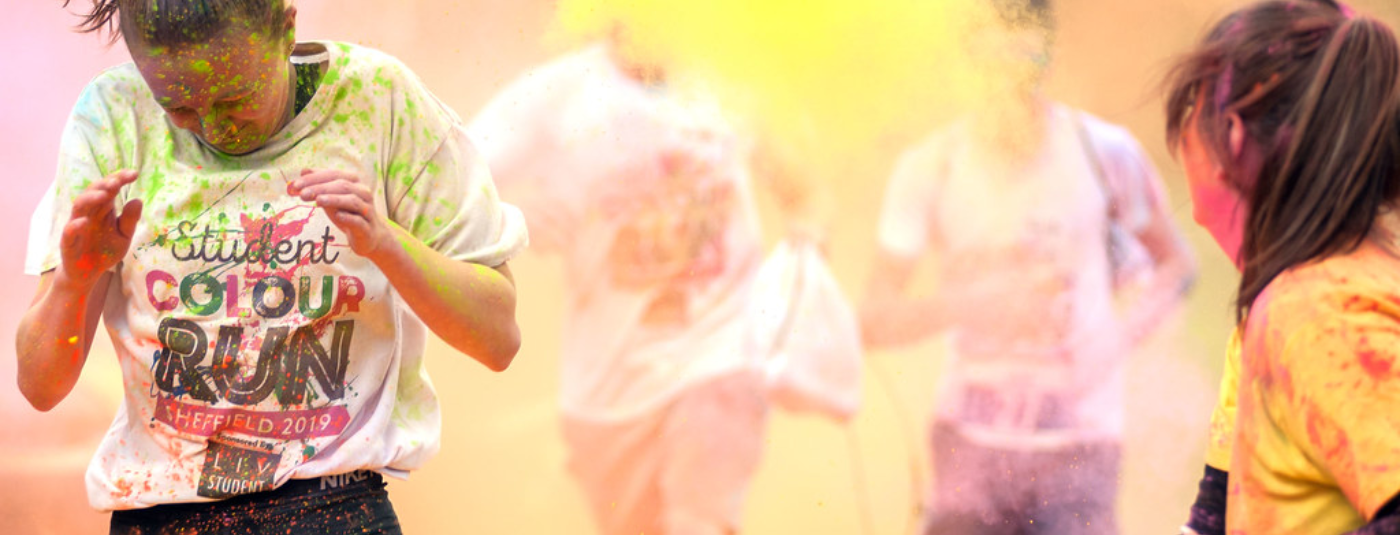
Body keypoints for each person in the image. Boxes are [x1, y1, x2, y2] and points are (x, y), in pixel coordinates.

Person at [15, 0, 528, 532]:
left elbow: (498, 339)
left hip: (334, 508)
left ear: (287, 28)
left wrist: (388, 245)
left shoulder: (378, 101)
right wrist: (72, 284)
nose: (216, 129)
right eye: (179, 108)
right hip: (162, 512)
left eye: (236, 98)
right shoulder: (113, 116)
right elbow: (41, 386)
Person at [859, 0, 1197, 533]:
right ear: (964, 65)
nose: (1008, 82)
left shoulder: (1103, 152)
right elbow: (873, 321)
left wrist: (1110, 342)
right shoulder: (930, 167)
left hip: (1079, 448)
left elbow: (1176, 265)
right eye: (991, 62)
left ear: (1050, 60)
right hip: (967, 448)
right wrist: (974, 306)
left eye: (1025, 61)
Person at [466, 31, 773, 535]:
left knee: (701, 520)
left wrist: (810, 240)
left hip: (723, 353)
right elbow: (439, 181)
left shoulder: (740, 76)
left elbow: (803, 187)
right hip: (608, 389)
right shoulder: (555, 95)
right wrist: (509, 216)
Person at [1167, 1, 1400, 533]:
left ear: (1230, 134)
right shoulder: (1274, 309)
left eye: (1189, 114)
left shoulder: (1318, 316)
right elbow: (1214, 514)